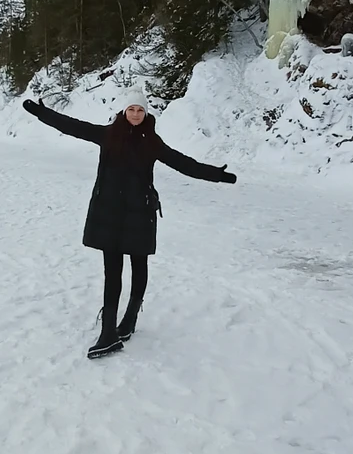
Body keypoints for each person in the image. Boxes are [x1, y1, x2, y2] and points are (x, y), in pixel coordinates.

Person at [21, 88, 237, 357]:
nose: (135, 114)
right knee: (112, 271)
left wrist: (217, 175)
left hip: (140, 212)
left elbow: (184, 164)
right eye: (131, 110)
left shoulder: (152, 142)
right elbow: (72, 126)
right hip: (109, 211)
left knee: (138, 264)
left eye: (140, 110)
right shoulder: (108, 135)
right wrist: (41, 113)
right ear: (124, 112)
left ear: (146, 113)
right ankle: (108, 332)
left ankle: (130, 318)